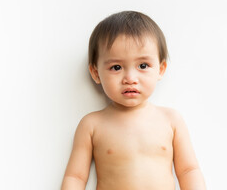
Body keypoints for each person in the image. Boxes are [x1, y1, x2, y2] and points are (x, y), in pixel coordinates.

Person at [61, 11, 206, 190]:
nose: (130, 78)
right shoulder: (92, 124)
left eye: (143, 66)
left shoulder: (171, 120)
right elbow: (75, 177)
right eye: (116, 67)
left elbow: (189, 170)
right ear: (96, 73)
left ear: (160, 69)